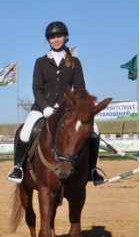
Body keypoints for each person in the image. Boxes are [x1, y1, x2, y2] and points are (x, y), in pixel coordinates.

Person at [7, 21, 104, 185]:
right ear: (48, 40)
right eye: (52, 37)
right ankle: (18, 168)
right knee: (25, 130)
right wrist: (45, 107)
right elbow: (36, 88)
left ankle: (92, 170)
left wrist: (77, 106)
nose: (55, 39)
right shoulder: (40, 62)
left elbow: (80, 89)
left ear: (66, 38)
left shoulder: (75, 62)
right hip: (42, 108)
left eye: (59, 36)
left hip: (67, 109)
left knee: (95, 129)